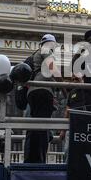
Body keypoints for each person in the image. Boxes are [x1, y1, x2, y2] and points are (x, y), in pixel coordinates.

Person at [23, 34, 62, 163]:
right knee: (42, 127)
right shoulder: (46, 50)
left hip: (35, 92)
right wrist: (64, 87)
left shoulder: (37, 53)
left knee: (35, 127)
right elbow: (53, 69)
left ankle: (31, 158)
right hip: (42, 91)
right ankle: (38, 159)